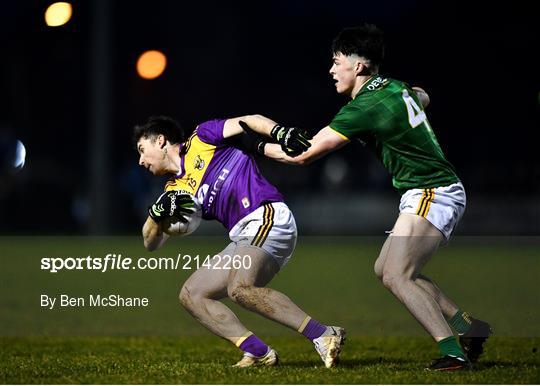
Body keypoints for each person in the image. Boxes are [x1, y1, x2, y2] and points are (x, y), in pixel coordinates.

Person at [237, 24, 492, 371]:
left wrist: (254, 146)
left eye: (336, 61)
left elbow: (303, 155)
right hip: (428, 190)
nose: (331, 70)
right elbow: (422, 95)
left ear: (358, 66)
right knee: (386, 269)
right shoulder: (393, 87)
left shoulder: (364, 106)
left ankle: (454, 352)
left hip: (433, 190)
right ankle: (469, 328)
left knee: (398, 274)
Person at [133, 115, 345, 368]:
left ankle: (323, 334)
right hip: (242, 234)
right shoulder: (174, 192)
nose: (140, 160)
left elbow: (250, 120)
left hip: (266, 214)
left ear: (160, 140)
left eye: (142, 150)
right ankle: (257, 352)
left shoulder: (202, 137)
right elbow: (151, 243)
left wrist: (280, 133)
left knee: (240, 288)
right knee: (192, 294)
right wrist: (155, 215)